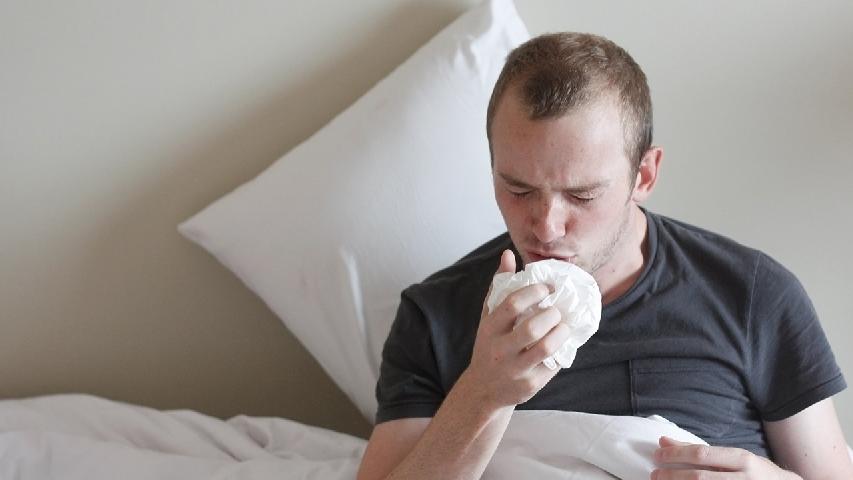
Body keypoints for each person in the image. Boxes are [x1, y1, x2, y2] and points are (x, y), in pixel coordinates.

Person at [356, 32, 852, 480]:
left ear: (645, 175)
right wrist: (484, 392)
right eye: (518, 189)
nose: (545, 227)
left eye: (582, 195)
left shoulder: (751, 294)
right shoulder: (435, 314)